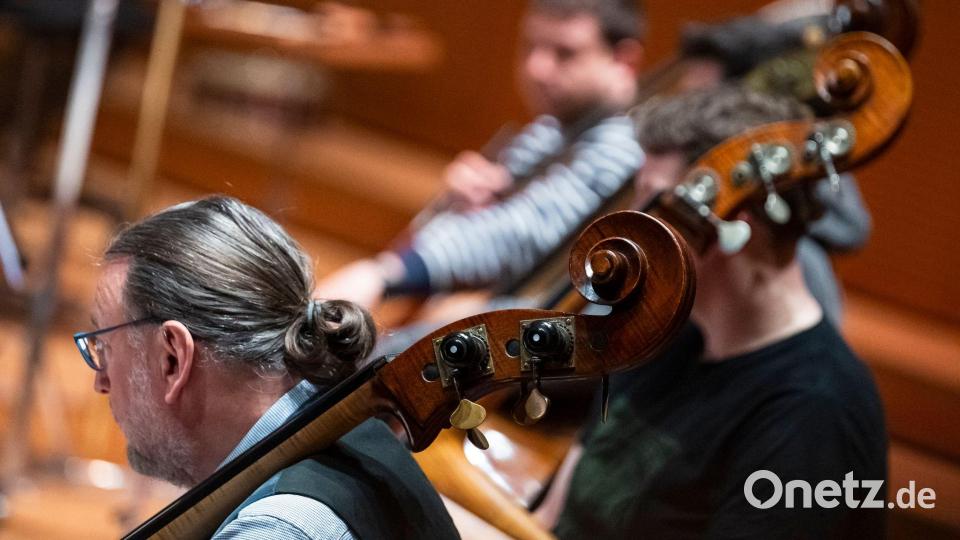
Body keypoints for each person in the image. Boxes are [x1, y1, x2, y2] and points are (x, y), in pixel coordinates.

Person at [538, 86, 887, 539]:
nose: (630, 226)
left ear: (731, 226)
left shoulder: (815, 414)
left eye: (652, 205)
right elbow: (548, 522)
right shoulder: (662, 335)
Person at [75, 196, 458, 539]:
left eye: (104, 348)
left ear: (172, 358)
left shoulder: (279, 528)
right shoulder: (343, 433)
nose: (100, 381)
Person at [315, 0, 645, 308]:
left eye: (565, 53)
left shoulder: (624, 145)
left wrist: (384, 275)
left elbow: (516, 236)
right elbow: (481, 220)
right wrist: (460, 202)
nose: (536, 67)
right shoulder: (551, 129)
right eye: (530, 46)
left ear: (623, 61)